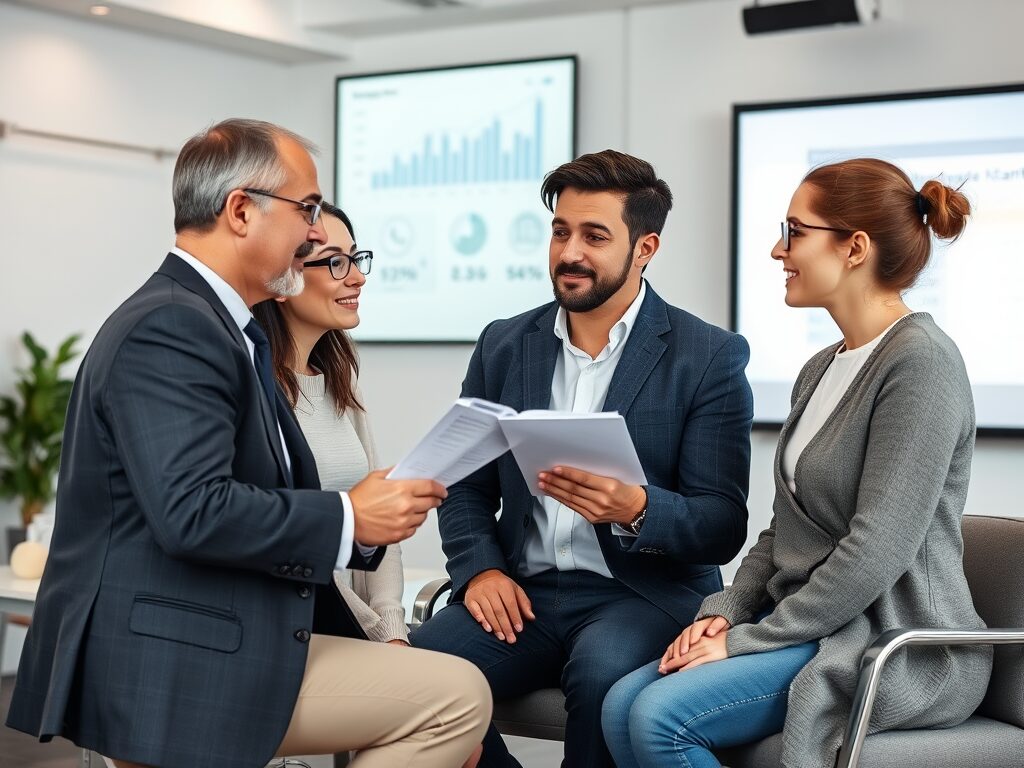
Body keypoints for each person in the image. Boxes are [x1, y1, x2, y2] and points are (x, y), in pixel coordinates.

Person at [6, 119, 490, 768]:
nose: (317, 233)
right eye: (309, 211)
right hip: (169, 654)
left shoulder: (221, 326)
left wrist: (365, 532)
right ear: (240, 211)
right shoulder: (176, 325)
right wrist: (351, 516)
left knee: (450, 691)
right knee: (455, 696)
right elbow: (192, 511)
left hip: (204, 633)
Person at [602, 158, 993, 768]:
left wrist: (746, 642)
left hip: (896, 643)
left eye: (795, 232)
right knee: (618, 703)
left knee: (659, 716)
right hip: (813, 627)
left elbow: (875, 552)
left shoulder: (922, 365)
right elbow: (785, 531)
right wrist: (725, 613)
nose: (776, 250)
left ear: (855, 247)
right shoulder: (820, 369)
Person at [412, 149, 754, 768]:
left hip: (641, 594)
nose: (570, 252)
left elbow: (722, 524)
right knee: (420, 676)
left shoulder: (708, 356)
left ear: (645, 248)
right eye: (560, 231)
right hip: (523, 587)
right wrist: (481, 571)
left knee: (602, 679)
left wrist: (638, 508)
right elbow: (462, 484)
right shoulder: (505, 343)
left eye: (595, 236)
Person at [253, 203, 411, 647]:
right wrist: (378, 635)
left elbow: (381, 531)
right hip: (309, 630)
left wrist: (393, 630)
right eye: (336, 263)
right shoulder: (260, 395)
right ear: (285, 278)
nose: (358, 277)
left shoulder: (340, 383)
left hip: (361, 632)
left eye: (356, 259)